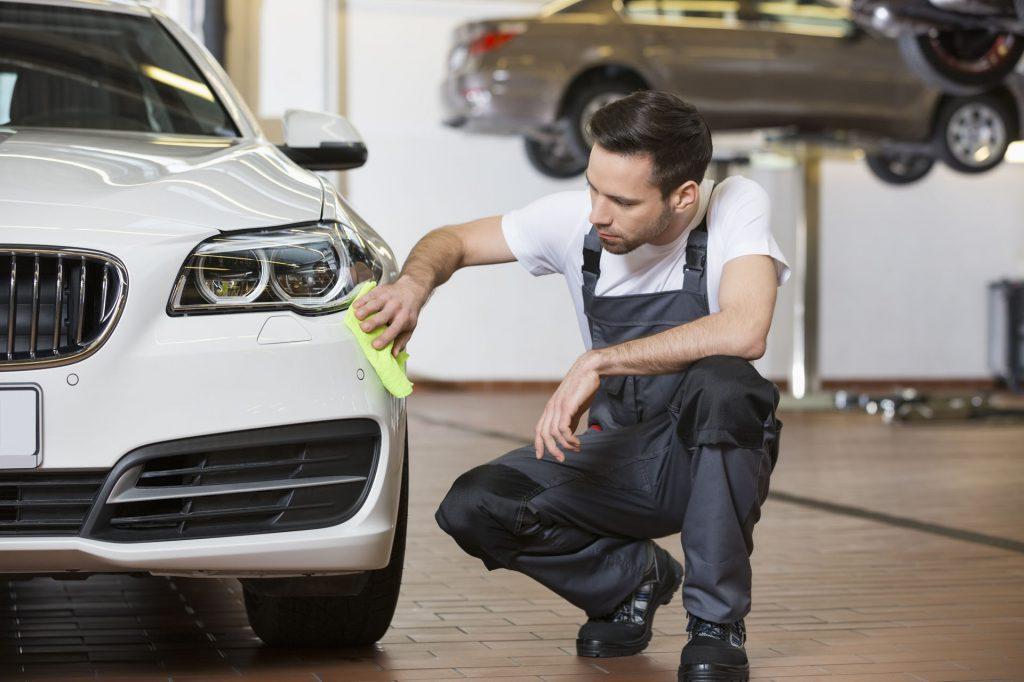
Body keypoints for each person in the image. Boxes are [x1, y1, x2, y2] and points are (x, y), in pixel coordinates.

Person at [353, 91, 789, 682]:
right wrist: (413, 286)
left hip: (708, 454)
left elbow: (745, 328)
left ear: (684, 196)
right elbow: (451, 240)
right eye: (592, 187)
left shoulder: (732, 206)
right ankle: (631, 579)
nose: (597, 213)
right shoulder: (579, 226)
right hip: (624, 456)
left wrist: (598, 362)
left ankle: (715, 625)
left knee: (726, 384)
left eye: (622, 200)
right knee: (475, 505)